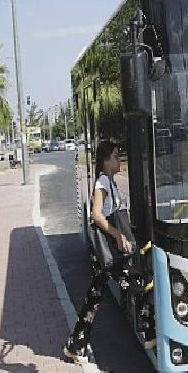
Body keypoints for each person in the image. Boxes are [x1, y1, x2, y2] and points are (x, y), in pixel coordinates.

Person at [63, 140, 134, 363]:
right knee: (136, 283)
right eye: (115, 156)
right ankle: (150, 332)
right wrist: (118, 235)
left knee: (94, 297)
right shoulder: (103, 182)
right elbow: (96, 215)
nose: (118, 159)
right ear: (105, 161)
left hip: (105, 253)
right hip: (107, 252)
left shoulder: (109, 182)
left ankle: (75, 345)